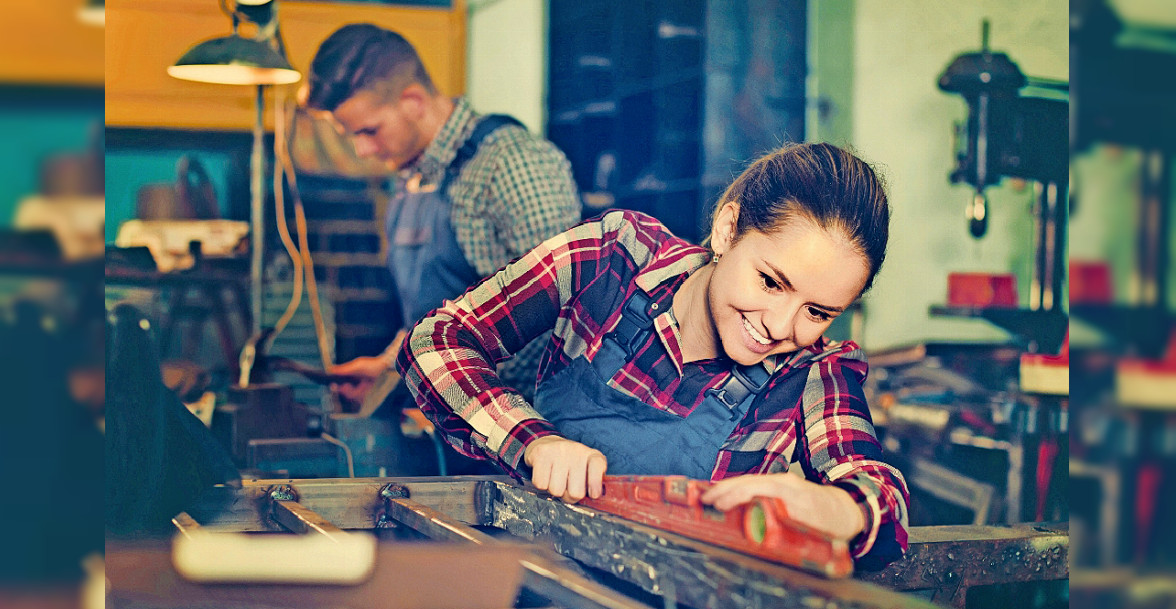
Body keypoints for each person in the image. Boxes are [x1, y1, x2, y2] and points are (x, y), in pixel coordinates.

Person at [397, 142, 910, 568]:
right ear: (728, 230)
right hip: (526, 586)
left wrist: (839, 507)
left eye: (817, 312)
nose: (780, 326)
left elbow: (880, 492)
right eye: (770, 281)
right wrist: (532, 441)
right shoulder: (612, 259)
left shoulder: (811, 371)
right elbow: (437, 340)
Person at [304, 24, 581, 404]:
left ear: (413, 101)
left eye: (369, 131)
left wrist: (459, 402)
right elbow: (438, 318)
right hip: (451, 415)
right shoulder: (412, 178)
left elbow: (555, 319)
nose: (363, 151)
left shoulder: (512, 163)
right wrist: (389, 365)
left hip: (520, 430)